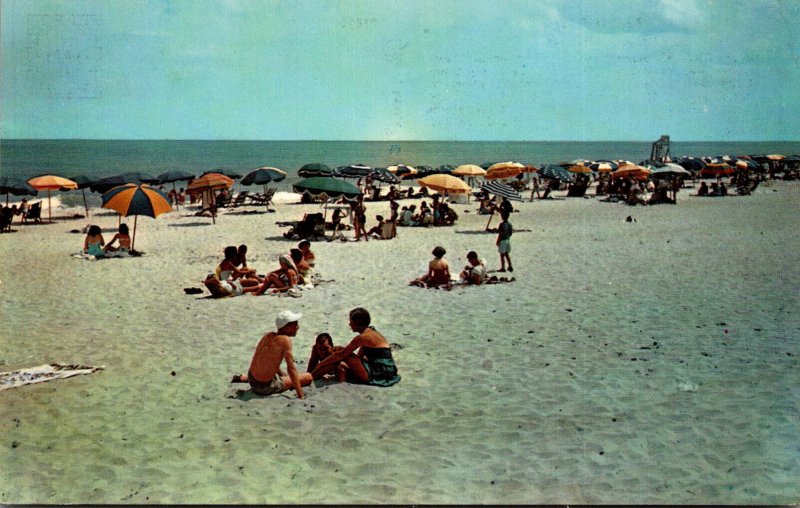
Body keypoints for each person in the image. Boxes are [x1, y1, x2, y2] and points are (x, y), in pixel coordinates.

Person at [230, 310, 313, 398]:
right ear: (287, 328)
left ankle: (244, 378)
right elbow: (291, 369)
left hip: (252, 378)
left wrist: (283, 375)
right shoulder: (285, 340)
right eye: (295, 325)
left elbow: (268, 361)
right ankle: (283, 382)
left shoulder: (268, 335)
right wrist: (301, 395)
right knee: (308, 377)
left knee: (285, 376)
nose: (298, 327)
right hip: (264, 387)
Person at [311, 308, 400, 387]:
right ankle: (315, 373)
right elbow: (360, 355)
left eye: (351, 321)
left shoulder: (362, 337)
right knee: (338, 353)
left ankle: (312, 375)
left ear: (358, 323)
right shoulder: (370, 332)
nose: (350, 324)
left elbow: (341, 355)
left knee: (340, 351)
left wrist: (320, 365)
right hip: (387, 370)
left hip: (380, 372)